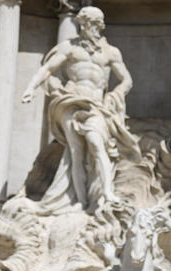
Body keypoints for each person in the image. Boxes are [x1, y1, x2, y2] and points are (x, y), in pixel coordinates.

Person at [21, 6, 141, 207]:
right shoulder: (69, 48)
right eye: (86, 23)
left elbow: (126, 79)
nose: (89, 27)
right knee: (75, 152)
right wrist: (31, 87)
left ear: (100, 25)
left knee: (96, 143)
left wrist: (115, 94)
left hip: (96, 104)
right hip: (71, 100)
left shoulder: (111, 52)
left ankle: (107, 193)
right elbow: (47, 68)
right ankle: (80, 201)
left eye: (94, 24)